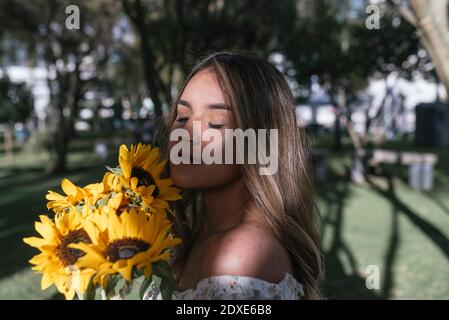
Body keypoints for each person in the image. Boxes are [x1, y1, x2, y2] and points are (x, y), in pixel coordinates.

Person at [146, 51, 323, 300]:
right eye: (182, 116)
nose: (187, 132)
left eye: (216, 123)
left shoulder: (239, 259)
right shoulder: (190, 238)